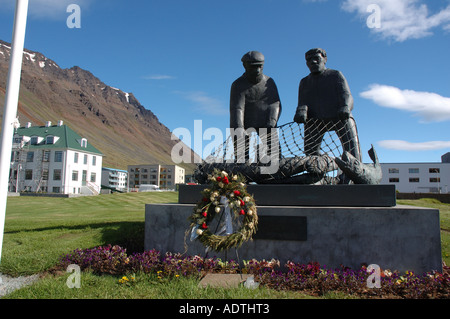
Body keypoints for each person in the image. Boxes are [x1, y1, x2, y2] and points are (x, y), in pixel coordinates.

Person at [294, 48, 361, 165]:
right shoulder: (304, 82)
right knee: (310, 151)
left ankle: (354, 174)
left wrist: (345, 107)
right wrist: (301, 112)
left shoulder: (335, 75)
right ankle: (317, 173)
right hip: (315, 120)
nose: (313, 62)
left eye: (316, 58)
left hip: (339, 116)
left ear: (325, 59)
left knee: (352, 148)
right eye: (309, 60)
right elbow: (302, 102)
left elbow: (346, 95)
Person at [230, 51, 282, 163]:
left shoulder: (269, 82)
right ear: (245, 66)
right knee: (240, 150)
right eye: (253, 67)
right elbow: (237, 108)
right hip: (245, 123)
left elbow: (275, 103)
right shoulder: (238, 85)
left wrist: (272, 120)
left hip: (266, 122)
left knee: (274, 154)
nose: (257, 70)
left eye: (260, 66)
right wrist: (239, 127)